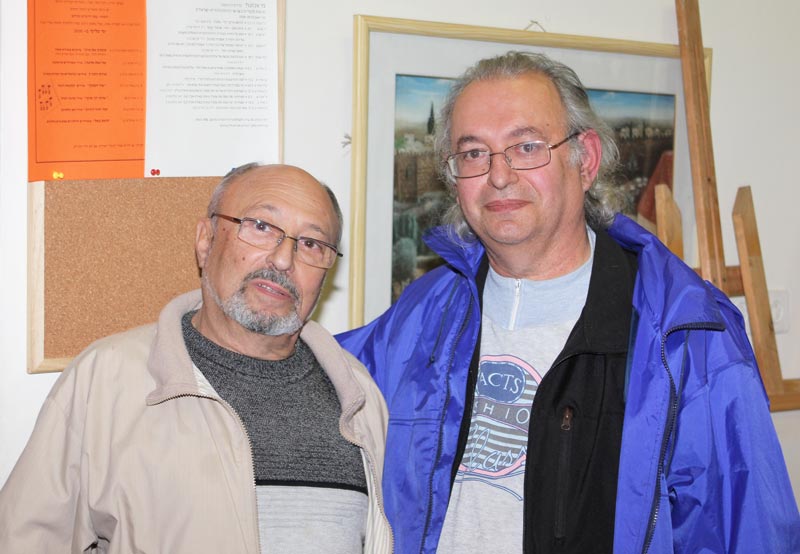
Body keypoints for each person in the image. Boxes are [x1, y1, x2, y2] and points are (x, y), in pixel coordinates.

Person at [337, 52, 800, 553]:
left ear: (586, 160)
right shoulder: (427, 310)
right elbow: (319, 375)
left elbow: (747, 531)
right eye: (473, 153)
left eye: (527, 146)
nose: (498, 175)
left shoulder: (686, 334)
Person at [0, 163, 393, 553]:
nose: (284, 259)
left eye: (311, 244)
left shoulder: (358, 398)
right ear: (205, 241)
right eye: (261, 226)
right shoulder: (106, 381)